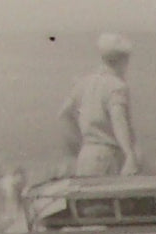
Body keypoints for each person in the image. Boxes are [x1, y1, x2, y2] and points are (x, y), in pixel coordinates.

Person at [60, 33, 141, 176]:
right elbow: (119, 121)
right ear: (122, 60)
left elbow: (65, 114)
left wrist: (78, 139)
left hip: (86, 154)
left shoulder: (83, 83)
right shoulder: (116, 86)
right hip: (107, 155)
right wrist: (129, 154)